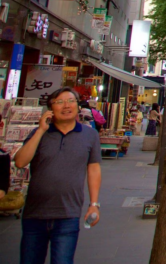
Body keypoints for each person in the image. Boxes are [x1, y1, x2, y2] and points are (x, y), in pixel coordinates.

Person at [14, 87, 102, 264]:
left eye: (71, 101)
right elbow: (20, 162)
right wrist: (40, 130)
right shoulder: (39, 133)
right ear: (50, 109)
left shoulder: (90, 135)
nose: (66, 105)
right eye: (59, 102)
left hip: (68, 214)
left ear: (78, 106)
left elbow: (94, 169)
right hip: (35, 214)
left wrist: (94, 204)